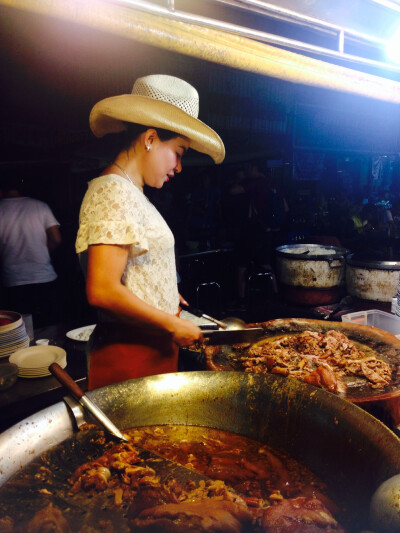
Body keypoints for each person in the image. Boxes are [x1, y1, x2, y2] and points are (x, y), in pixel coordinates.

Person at [75, 74, 225, 390]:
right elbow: (102, 289)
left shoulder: (130, 192)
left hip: (151, 351)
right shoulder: (112, 192)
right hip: (131, 355)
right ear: (151, 138)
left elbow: (133, 270)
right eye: (179, 153)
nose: (179, 167)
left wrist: (164, 291)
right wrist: (170, 321)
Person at [0, 176, 62, 327]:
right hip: (44, 276)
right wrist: (42, 252)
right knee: (49, 327)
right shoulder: (40, 206)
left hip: (13, 280)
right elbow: (56, 239)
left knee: (20, 330)